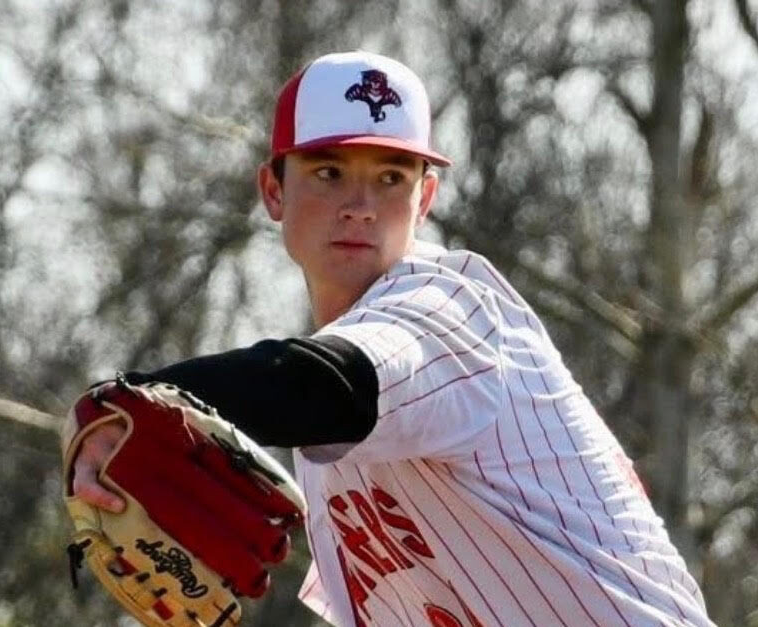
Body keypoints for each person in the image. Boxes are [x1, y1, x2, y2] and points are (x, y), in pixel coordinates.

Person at [69, 51, 715, 627]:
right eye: (329, 172)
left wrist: (126, 404)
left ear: (425, 198)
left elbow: (331, 381)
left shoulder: (448, 307)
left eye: (391, 177)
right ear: (273, 190)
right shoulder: (322, 455)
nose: (361, 205)